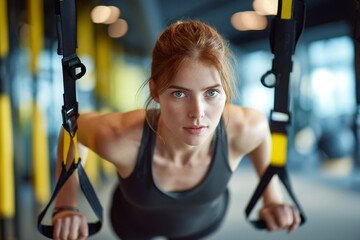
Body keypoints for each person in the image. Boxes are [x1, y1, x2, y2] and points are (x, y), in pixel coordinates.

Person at [52, 20, 301, 240]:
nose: (198, 112)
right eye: (179, 93)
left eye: (212, 92)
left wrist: (273, 198)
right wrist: (65, 205)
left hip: (203, 226)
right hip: (131, 227)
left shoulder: (246, 127)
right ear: (154, 91)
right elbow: (72, 130)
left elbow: (261, 136)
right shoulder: (121, 137)